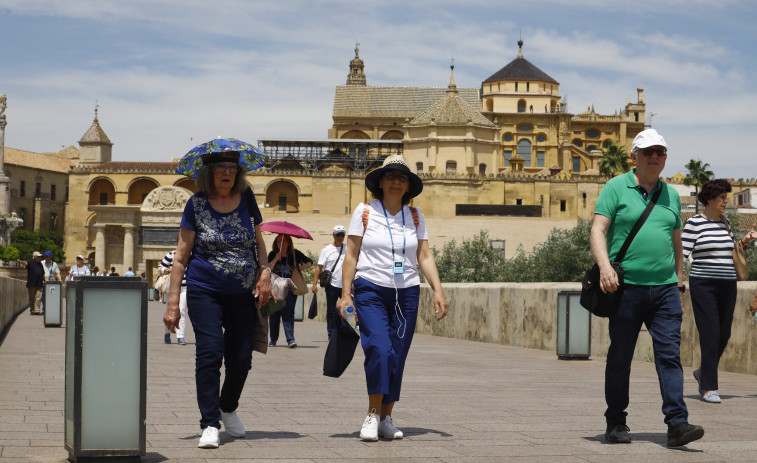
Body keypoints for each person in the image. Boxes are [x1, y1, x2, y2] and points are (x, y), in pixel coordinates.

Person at [590, 128, 704, 447]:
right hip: (627, 289)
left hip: (666, 290)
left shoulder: (670, 195)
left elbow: (677, 243)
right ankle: (616, 421)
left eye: (661, 153)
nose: (655, 157)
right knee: (620, 356)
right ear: (634, 157)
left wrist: (679, 284)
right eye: (648, 152)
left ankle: (677, 424)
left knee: (669, 355)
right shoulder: (615, 187)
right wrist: (605, 267)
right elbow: (598, 231)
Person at [162, 149, 272, 449]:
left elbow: (260, 244)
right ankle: (209, 423)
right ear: (208, 173)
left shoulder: (247, 200)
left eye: (232, 168)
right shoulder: (196, 204)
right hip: (204, 289)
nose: (227, 173)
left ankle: (228, 406)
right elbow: (181, 257)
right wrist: (173, 304)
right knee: (210, 354)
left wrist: (264, 272)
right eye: (220, 168)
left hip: (242, 293)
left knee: (241, 359)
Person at [338, 154, 447, 442]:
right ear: (381, 182)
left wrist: (437, 289)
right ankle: (372, 414)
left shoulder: (415, 215)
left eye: (402, 177)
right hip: (370, 287)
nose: (397, 181)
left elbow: (423, 255)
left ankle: (387, 417)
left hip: (407, 291)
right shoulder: (364, 211)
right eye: (391, 176)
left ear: (408, 184)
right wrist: (345, 294)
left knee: (397, 355)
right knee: (380, 350)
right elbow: (351, 254)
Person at [682, 179, 757, 403]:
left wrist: (744, 241)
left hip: (728, 285)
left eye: (727, 197)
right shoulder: (694, 223)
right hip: (703, 285)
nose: (727, 201)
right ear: (709, 199)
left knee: (724, 334)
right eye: (722, 197)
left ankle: (702, 373)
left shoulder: (725, 222)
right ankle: (708, 387)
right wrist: (675, 283)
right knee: (711, 334)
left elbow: (729, 250)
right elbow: (682, 255)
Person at [267, 234, 312, 347]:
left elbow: (310, 261)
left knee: (288, 313)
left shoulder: (294, 253)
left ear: (288, 242)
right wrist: (276, 259)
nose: (281, 243)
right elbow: (267, 268)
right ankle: (273, 340)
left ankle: (290, 339)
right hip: (275, 287)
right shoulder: (273, 254)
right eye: (278, 241)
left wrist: (303, 266)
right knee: (274, 315)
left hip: (289, 288)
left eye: (283, 240)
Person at [312, 225, 347, 338]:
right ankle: (331, 332)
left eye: (342, 235)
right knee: (331, 309)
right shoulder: (326, 250)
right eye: (338, 234)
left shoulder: (348, 248)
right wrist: (314, 284)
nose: (340, 237)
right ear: (333, 235)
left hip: (345, 284)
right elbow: (319, 267)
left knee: (346, 308)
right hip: (331, 284)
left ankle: (344, 329)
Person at [159, 249, 189, 345]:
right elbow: (160, 268)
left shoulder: (192, 255)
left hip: (185, 287)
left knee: (182, 310)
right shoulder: (172, 254)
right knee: (169, 310)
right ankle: (167, 333)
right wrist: (167, 270)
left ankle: (181, 336)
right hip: (171, 287)